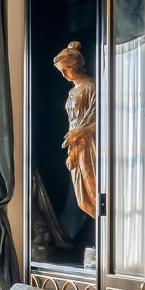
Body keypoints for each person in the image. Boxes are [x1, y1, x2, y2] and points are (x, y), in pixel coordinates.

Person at [54, 40, 96, 225]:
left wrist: (80, 132)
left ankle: (108, 232)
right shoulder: (73, 91)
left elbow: (102, 119)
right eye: (61, 71)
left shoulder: (91, 88)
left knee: (93, 192)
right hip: (76, 145)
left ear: (75, 65)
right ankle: (104, 231)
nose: (63, 75)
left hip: (90, 144)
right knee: (82, 199)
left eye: (65, 70)